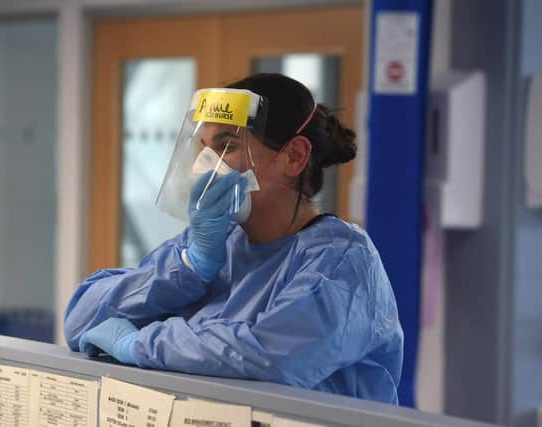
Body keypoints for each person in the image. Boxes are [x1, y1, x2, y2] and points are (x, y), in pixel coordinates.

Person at [64, 73, 403, 404]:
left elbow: (272, 358)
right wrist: (190, 267)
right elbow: (81, 322)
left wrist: (138, 345)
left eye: (227, 145)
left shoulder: (341, 262)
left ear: (295, 156)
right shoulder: (212, 241)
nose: (205, 165)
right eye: (204, 147)